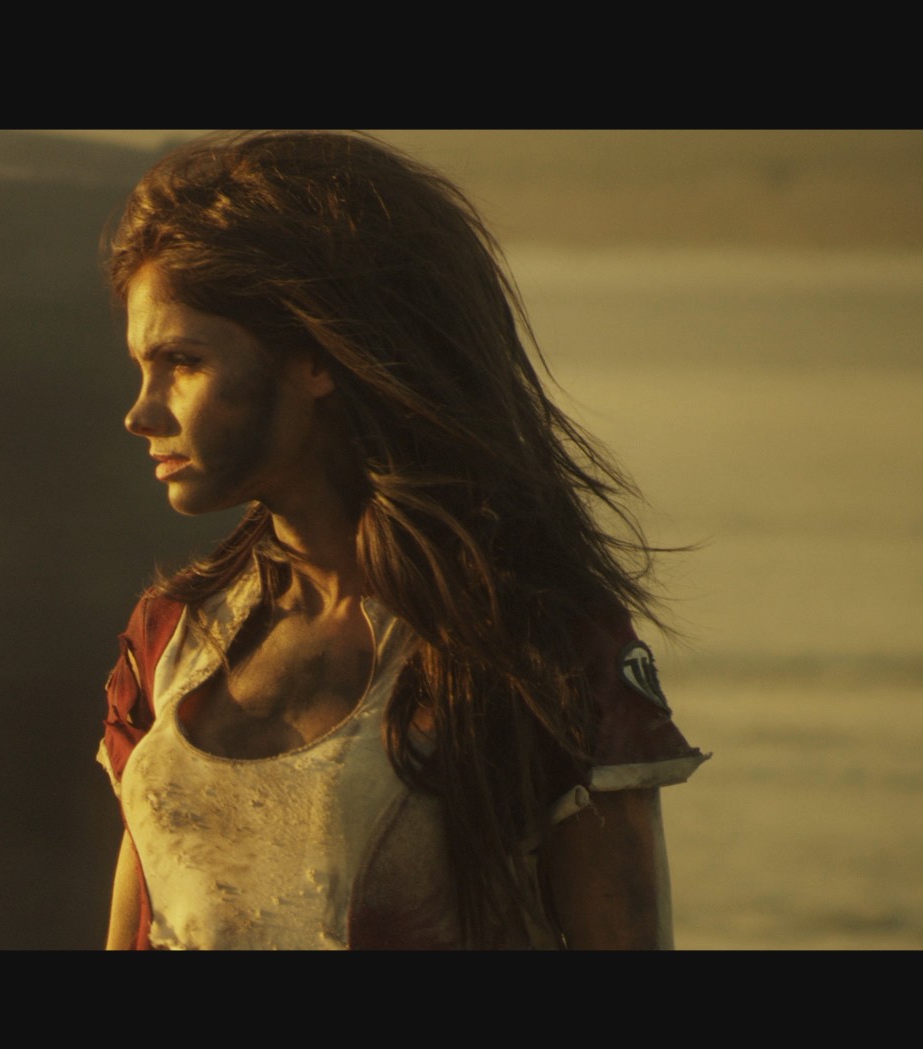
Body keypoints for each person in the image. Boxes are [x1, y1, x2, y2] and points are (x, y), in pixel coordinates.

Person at [97, 131, 708, 950]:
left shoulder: (540, 652)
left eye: (182, 361)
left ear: (317, 360)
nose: (141, 412)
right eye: (144, 367)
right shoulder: (170, 640)